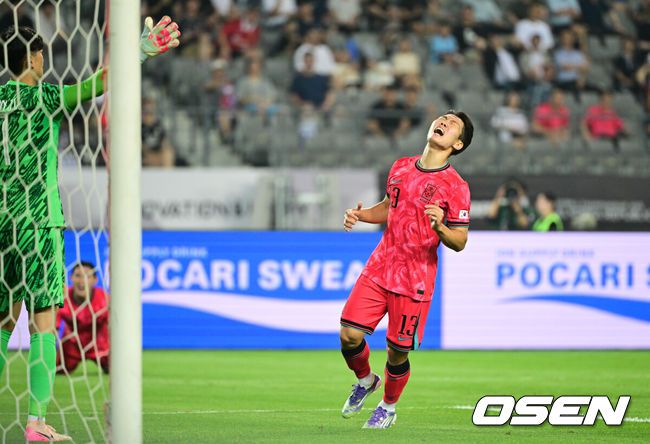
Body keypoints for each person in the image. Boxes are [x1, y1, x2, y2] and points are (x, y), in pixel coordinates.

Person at [0, 18, 179, 442]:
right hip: (39, 222)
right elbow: (97, 84)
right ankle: (36, 423)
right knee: (44, 323)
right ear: (35, 58)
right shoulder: (45, 96)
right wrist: (138, 53)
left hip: (3, 221)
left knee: (5, 321)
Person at [340, 110, 474, 428]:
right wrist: (361, 215)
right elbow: (389, 207)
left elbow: (460, 241)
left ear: (457, 144)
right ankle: (365, 380)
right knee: (349, 335)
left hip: (415, 278)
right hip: (380, 266)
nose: (443, 122)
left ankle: (388, 407)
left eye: (452, 124)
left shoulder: (456, 186)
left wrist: (440, 227)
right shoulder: (401, 166)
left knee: (397, 352)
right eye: (442, 118)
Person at [56, 262, 109, 374]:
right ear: (70, 278)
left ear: (95, 280)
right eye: (78, 275)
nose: (81, 281)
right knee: (56, 371)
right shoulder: (62, 299)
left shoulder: (105, 300)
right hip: (71, 346)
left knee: (118, 370)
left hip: (100, 345)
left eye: (87, 276)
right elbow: (52, 328)